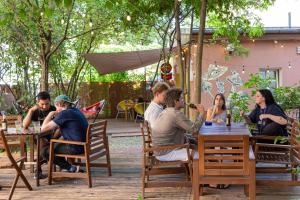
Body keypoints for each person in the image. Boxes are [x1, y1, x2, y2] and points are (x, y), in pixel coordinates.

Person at [151, 88, 205, 161]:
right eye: (181, 98)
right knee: (200, 156)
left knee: (194, 144)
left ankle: (193, 171)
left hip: (160, 151)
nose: (183, 100)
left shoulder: (166, 111)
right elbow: (194, 129)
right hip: (166, 152)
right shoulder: (176, 114)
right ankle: (201, 171)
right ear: (175, 101)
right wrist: (201, 113)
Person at [41, 95, 88, 174]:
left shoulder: (64, 114)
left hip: (76, 147)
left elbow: (43, 129)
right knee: (55, 145)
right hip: (84, 145)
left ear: (59, 105)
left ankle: (70, 168)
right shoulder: (76, 110)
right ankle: (67, 166)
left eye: (56, 107)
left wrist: (50, 114)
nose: (56, 110)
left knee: (45, 152)